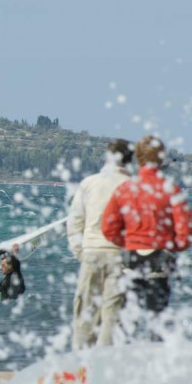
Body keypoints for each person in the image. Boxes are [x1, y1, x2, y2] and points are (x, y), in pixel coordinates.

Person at [101, 135, 192, 340]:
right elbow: (186, 231)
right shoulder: (170, 190)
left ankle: (124, 364)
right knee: (157, 321)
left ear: (138, 158)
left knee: (126, 322)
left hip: (131, 259)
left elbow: (108, 227)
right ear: (161, 159)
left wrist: (127, 243)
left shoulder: (125, 188)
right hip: (160, 260)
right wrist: (173, 246)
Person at [66, 138, 132, 348]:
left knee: (85, 311)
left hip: (92, 252)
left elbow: (75, 223)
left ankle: (79, 362)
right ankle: (106, 363)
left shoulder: (89, 183)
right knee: (112, 316)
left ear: (107, 158)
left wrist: (81, 253)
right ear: (129, 160)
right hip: (119, 256)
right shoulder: (133, 186)